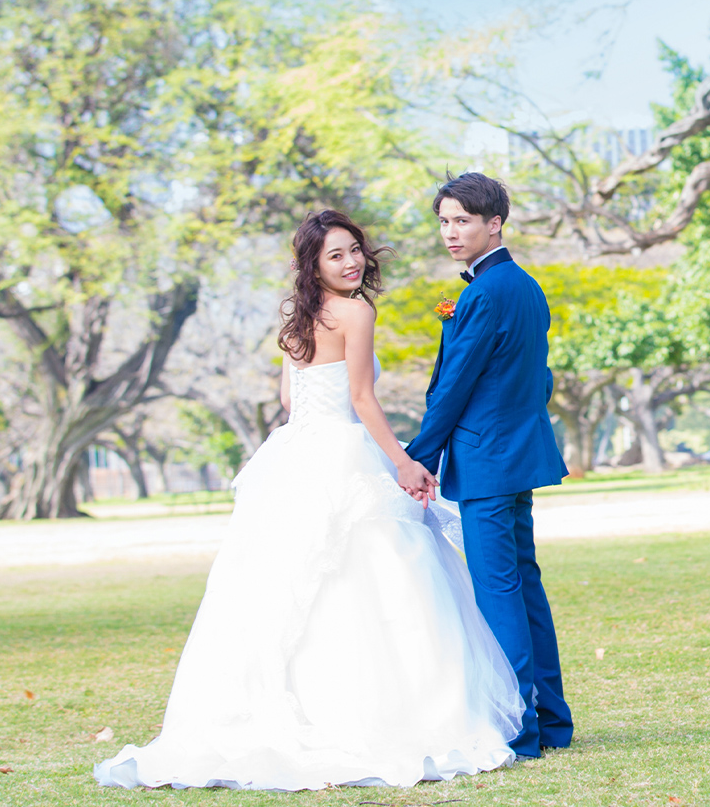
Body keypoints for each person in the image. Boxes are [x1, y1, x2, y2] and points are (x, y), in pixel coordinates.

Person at [95, 210, 524, 791]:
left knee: (289, 583)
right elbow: (363, 398)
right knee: (375, 575)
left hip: (296, 455)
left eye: (354, 251)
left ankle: (292, 711)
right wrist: (402, 461)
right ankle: (384, 716)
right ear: (314, 265)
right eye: (335, 256)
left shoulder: (297, 315)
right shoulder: (356, 311)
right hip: (345, 448)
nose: (350, 263)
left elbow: (289, 398)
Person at [406, 173, 574, 760]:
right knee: (524, 588)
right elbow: (540, 377)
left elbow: (453, 387)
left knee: (498, 593)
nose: (451, 233)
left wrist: (416, 458)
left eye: (463, 221)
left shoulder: (484, 293)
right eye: (445, 221)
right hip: (516, 456)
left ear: (494, 223)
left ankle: (519, 730)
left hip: (486, 461)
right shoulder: (525, 286)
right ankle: (551, 722)